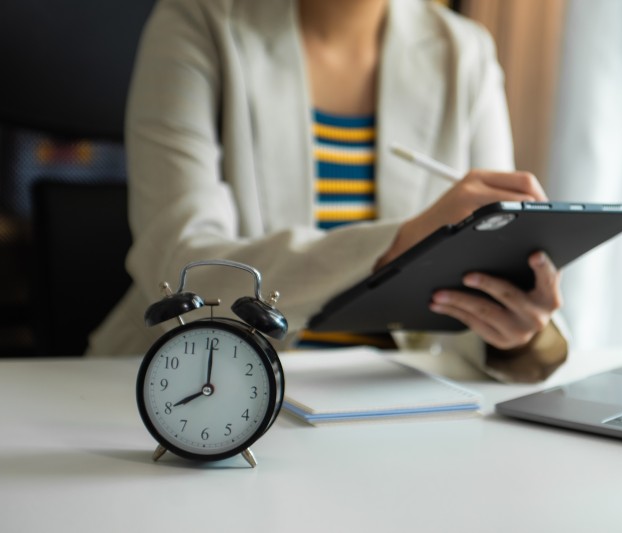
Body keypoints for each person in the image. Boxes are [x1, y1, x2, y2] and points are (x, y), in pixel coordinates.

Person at [87, 0, 568, 382]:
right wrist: (398, 243)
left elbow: (480, 264)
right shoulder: (196, 21)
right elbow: (179, 269)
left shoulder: (465, 52)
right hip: (202, 385)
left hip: (387, 401)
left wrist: (518, 332)